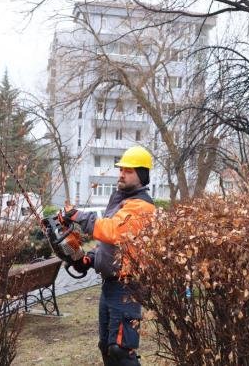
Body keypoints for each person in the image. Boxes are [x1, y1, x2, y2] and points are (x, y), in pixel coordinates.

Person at [60, 145, 156, 366]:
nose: (122, 174)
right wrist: (91, 259)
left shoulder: (142, 207)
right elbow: (109, 244)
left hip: (127, 287)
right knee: (107, 347)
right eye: (121, 169)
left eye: (129, 171)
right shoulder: (121, 198)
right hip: (110, 286)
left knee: (120, 350)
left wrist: (78, 216)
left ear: (142, 175)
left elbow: (114, 231)